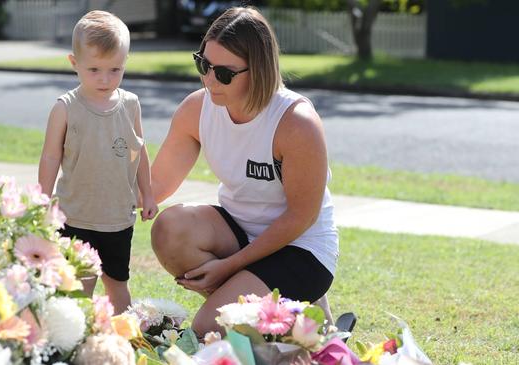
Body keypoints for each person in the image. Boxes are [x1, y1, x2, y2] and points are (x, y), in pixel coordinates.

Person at [150, 6, 338, 335]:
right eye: (203, 64)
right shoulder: (197, 108)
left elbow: (302, 217)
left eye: (223, 73)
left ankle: (305, 324)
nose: (209, 80)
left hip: (300, 247)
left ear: (259, 70)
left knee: (210, 328)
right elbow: (155, 185)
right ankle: (276, 313)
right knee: (169, 228)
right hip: (238, 232)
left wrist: (229, 267)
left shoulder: (296, 123)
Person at [38, 10, 158, 314]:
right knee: (79, 284)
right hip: (75, 215)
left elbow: (139, 151)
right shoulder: (65, 108)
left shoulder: (130, 105)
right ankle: (73, 340)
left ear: (125, 63)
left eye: (115, 70)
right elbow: (51, 155)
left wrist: (148, 192)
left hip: (117, 216)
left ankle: (123, 337)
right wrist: (40, 198)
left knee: (117, 283)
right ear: (74, 63)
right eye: (94, 70)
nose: (105, 79)